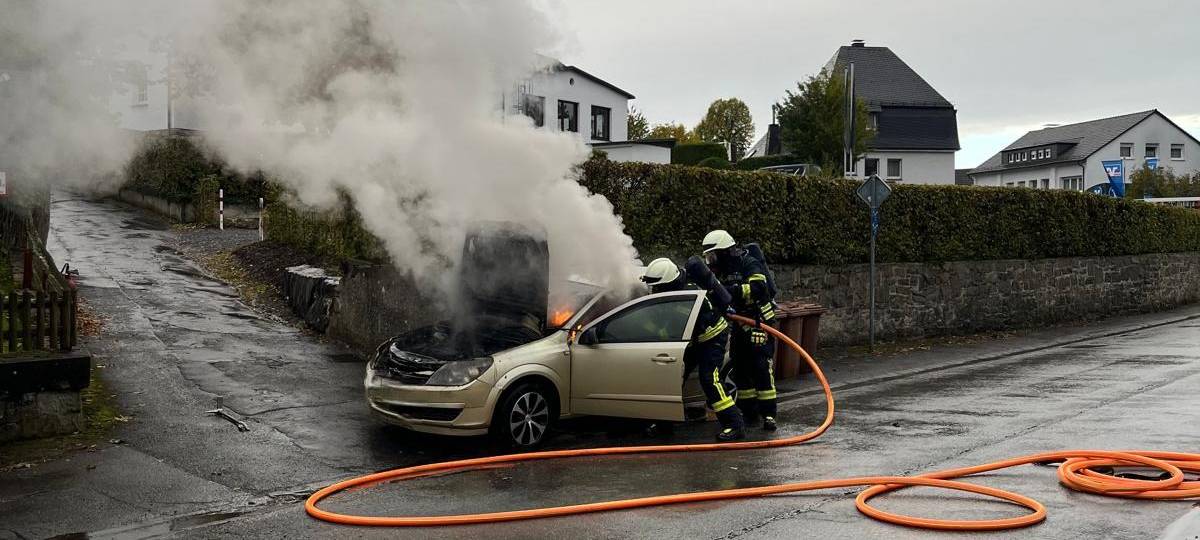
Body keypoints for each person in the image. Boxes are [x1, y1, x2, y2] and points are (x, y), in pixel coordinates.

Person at [641, 257, 746, 441]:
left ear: (667, 284)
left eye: (657, 287)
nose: (654, 291)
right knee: (673, 376)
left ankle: (734, 425)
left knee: (710, 379)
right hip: (695, 339)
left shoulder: (685, 297)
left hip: (712, 336)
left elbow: (670, 328)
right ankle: (665, 424)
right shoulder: (676, 289)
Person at [701, 230, 778, 432]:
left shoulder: (749, 263)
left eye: (713, 255)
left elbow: (760, 288)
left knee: (761, 369)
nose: (711, 260)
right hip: (739, 325)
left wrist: (732, 290)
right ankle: (750, 413)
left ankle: (769, 415)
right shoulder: (723, 269)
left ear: (725, 251)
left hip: (758, 322)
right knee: (741, 368)